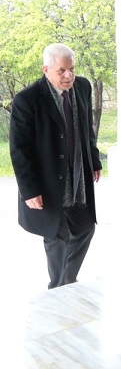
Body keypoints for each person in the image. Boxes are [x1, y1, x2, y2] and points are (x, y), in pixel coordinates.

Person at [10, 44, 102, 289]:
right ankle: (58, 288)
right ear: (46, 70)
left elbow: (87, 130)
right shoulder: (27, 99)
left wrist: (94, 160)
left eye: (72, 69)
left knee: (85, 228)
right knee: (57, 235)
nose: (68, 75)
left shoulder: (83, 87)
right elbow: (19, 149)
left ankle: (66, 281)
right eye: (62, 70)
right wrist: (29, 190)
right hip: (47, 180)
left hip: (77, 176)